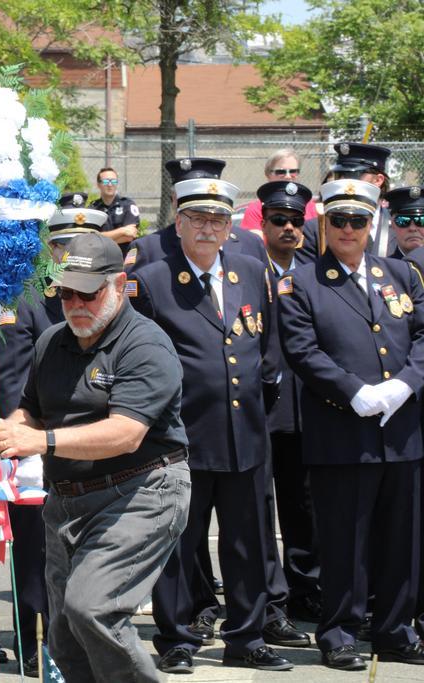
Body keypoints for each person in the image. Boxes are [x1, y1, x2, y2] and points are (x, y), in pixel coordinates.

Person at [0, 231, 190, 682]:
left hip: (141, 490)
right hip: (68, 499)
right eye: (66, 292)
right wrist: (5, 430)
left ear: (119, 284)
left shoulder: (145, 345)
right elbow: (31, 409)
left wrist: (42, 442)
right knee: (65, 636)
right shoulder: (52, 341)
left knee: (92, 609)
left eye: (88, 293)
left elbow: (126, 433)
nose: (76, 304)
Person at [132, 176, 298, 673]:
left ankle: (246, 637)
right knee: (179, 543)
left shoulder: (250, 270)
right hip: (181, 436)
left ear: (231, 226)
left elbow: (267, 343)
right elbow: (139, 355)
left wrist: (262, 391)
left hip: (245, 432)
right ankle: (177, 638)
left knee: (249, 542)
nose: (208, 229)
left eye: (218, 220)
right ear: (178, 223)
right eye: (198, 219)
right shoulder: (154, 279)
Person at [279, 178, 424, 669]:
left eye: (357, 220)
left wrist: (405, 384)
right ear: (325, 223)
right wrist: (353, 391)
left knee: (401, 541)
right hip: (342, 432)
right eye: (338, 220)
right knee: (344, 541)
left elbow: (423, 333)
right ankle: (339, 631)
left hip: (401, 431)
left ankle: (395, 631)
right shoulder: (302, 282)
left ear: (373, 223)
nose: (347, 229)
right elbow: (301, 350)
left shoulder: (401, 275)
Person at [0, 195, 104, 677]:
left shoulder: (112, 301)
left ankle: (86, 644)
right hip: (37, 447)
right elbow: (12, 376)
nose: (70, 256)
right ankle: (37, 644)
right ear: (49, 250)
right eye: (62, 246)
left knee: (91, 556)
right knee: (36, 555)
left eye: (81, 245)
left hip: (97, 449)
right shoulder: (27, 297)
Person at [258, 180, 323, 624]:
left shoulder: (316, 272)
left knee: (303, 508)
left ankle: (307, 590)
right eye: (279, 219)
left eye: (296, 221)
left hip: (304, 408)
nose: (288, 228)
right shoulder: (244, 269)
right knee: (259, 511)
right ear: (262, 223)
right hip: (258, 408)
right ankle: (270, 599)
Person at [386, 186, 424, 641]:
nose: (413, 227)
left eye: (420, 219)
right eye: (405, 219)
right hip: (394, 412)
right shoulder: (381, 268)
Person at [125, 157, 268, 274]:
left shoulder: (252, 243)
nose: (207, 229)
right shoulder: (149, 249)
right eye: (185, 196)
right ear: (174, 199)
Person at [328, 142, 393, 256]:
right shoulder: (322, 226)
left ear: (378, 180)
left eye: (353, 175)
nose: (345, 180)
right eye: (340, 175)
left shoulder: (400, 226)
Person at [241, 149, 318, 235]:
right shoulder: (256, 209)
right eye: (281, 172)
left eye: (293, 171)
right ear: (268, 175)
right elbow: (255, 243)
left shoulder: (312, 208)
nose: (288, 176)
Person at [88, 167, 140, 253]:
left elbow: (129, 236)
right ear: (98, 184)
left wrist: (100, 239)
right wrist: (122, 231)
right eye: (105, 181)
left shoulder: (128, 205)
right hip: (100, 258)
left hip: (123, 258)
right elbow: (90, 238)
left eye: (113, 181)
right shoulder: (93, 209)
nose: (110, 184)